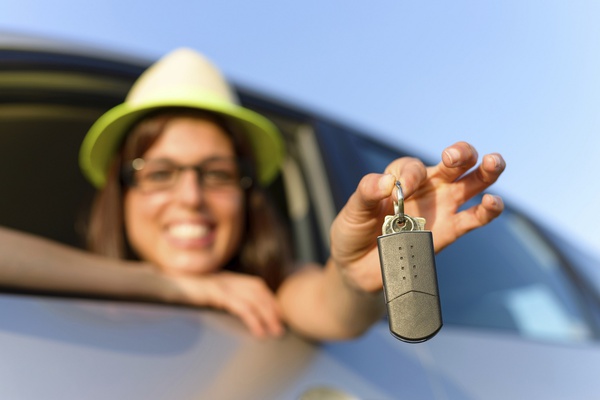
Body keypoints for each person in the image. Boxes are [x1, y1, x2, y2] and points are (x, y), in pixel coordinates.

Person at [0, 48, 506, 340]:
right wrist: (164, 283)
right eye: (160, 172)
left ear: (247, 195)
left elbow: (330, 308)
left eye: (217, 173)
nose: (192, 196)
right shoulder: (61, 286)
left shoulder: (270, 291)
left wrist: (355, 279)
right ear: (122, 193)